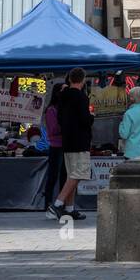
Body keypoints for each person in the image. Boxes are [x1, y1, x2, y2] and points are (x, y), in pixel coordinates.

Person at [48, 68, 92, 221]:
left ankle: (69, 208)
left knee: (71, 174)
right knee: (77, 174)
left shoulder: (62, 97)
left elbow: (60, 119)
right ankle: (57, 204)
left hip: (67, 141)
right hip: (80, 141)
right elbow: (85, 121)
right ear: (83, 80)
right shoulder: (81, 98)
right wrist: (91, 116)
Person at [42, 82, 66, 213]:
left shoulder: (62, 108)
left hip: (64, 145)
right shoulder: (51, 110)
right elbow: (53, 129)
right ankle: (48, 203)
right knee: (53, 175)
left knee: (63, 175)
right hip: (56, 145)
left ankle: (61, 203)